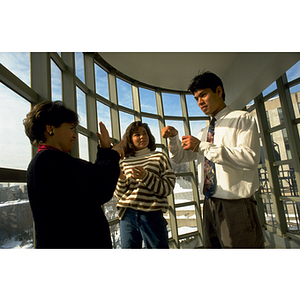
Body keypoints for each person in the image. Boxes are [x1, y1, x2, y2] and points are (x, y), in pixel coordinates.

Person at [161, 71, 265, 248]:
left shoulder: (242, 119)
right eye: (196, 98)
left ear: (218, 91)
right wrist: (174, 138)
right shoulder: (204, 132)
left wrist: (201, 146)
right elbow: (180, 157)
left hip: (236, 205)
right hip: (209, 203)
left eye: (203, 95)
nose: (200, 102)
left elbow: (250, 158)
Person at [24, 101, 124, 249]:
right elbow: (99, 188)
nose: (74, 136)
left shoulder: (42, 162)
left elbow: (90, 182)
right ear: (50, 128)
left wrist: (106, 152)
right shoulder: (52, 161)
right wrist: (111, 154)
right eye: (71, 128)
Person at [114, 121, 176, 249]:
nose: (142, 137)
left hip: (152, 214)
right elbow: (119, 194)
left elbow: (168, 187)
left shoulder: (159, 157)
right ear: (130, 139)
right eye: (137, 134)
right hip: (128, 215)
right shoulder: (123, 163)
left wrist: (146, 176)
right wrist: (120, 177)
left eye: (145, 133)